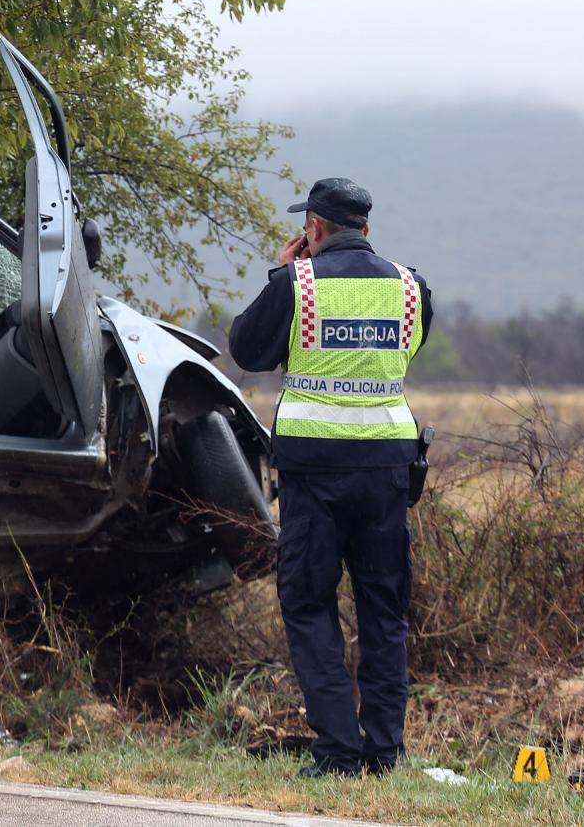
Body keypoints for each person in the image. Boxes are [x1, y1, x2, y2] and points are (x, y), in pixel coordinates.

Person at [228, 178, 433, 779]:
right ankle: (385, 752)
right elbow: (407, 350)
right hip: (387, 472)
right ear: (365, 229)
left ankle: (340, 753)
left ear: (313, 229)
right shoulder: (410, 286)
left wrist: (280, 276)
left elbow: (248, 349)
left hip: (314, 475)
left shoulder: (297, 284)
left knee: (310, 603)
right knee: (384, 608)